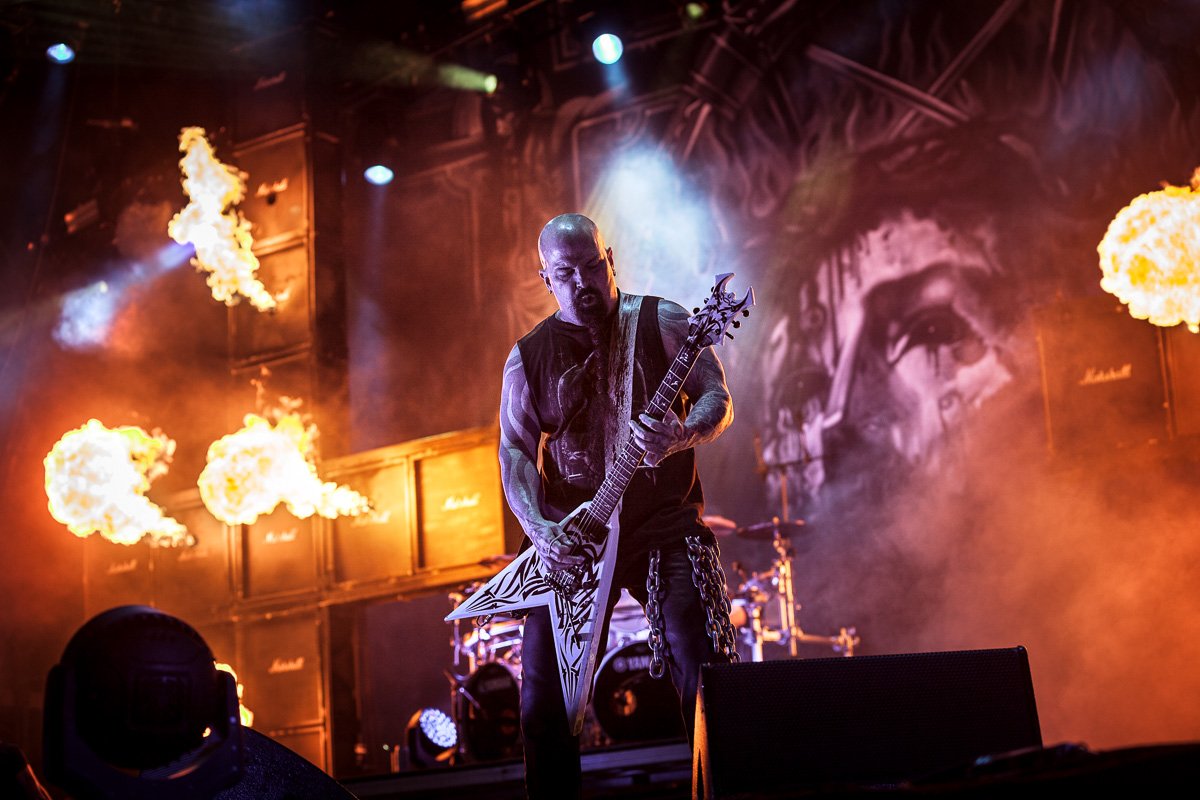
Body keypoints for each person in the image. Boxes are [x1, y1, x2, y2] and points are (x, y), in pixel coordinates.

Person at [499, 213, 738, 798]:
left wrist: (681, 434)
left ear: (611, 261)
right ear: (545, 278)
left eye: (592, 266)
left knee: (700, 663)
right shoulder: (526, 358)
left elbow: (717, 396)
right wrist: (540, 530)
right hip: (575, 539)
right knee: (542, 700)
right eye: (566, 272)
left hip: (663, 525)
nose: (583, 281)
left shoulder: (663, 320)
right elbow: (514, 452)